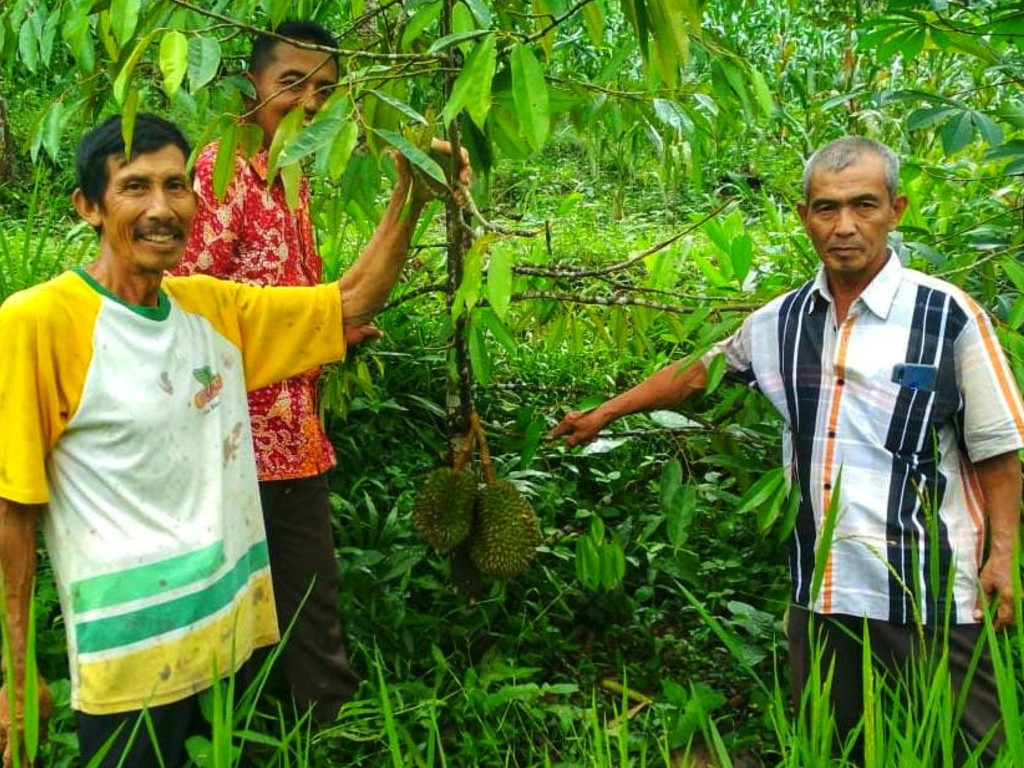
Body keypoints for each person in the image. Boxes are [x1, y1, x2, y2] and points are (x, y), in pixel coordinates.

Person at [0, 111, 455, 768]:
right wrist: (16, 672)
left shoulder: (212, 309)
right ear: (88, 207)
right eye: (135, 187)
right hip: (127, 664)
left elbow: (349, 302)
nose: (162, 208)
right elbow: (12, 508)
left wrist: (411, 194)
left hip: (225, 641)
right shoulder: (39, 322)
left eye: (176, 185)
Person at [552, 136, 1024, 764]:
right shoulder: (778, 322)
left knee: (976, 748)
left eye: (864, 205)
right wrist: (605, 413)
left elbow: (997, 449)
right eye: (827, 209)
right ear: (804, 216)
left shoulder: (948, 315)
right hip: (823, 589)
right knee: (834, 746)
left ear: (896, 209)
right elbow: (698, 374)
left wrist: (1003, 558)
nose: (845, 227)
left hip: (931, 585)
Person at [171, 19, 469, 725]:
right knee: (282, 602)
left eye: (327, 90)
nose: (309, 103)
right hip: (234, 440)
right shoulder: (218, 172)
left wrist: (335, 329)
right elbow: (186, 316)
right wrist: (409, 192)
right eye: (292, 84)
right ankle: (307, 731)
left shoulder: (292, 179)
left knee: (295, 599)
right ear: (251, 87)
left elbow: (324, 304)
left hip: (291, 434)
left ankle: (292, 729)